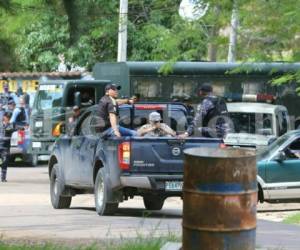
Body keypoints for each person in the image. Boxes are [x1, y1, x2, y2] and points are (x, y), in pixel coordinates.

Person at [0, 112, 14, 182]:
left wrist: (24, 128)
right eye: (6, 117)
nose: (7, 119)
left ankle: (3, 178)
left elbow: (15, 128)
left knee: (5, 162)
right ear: (4, 117)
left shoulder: (11, 125)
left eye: (9, 118)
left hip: (5, 147)